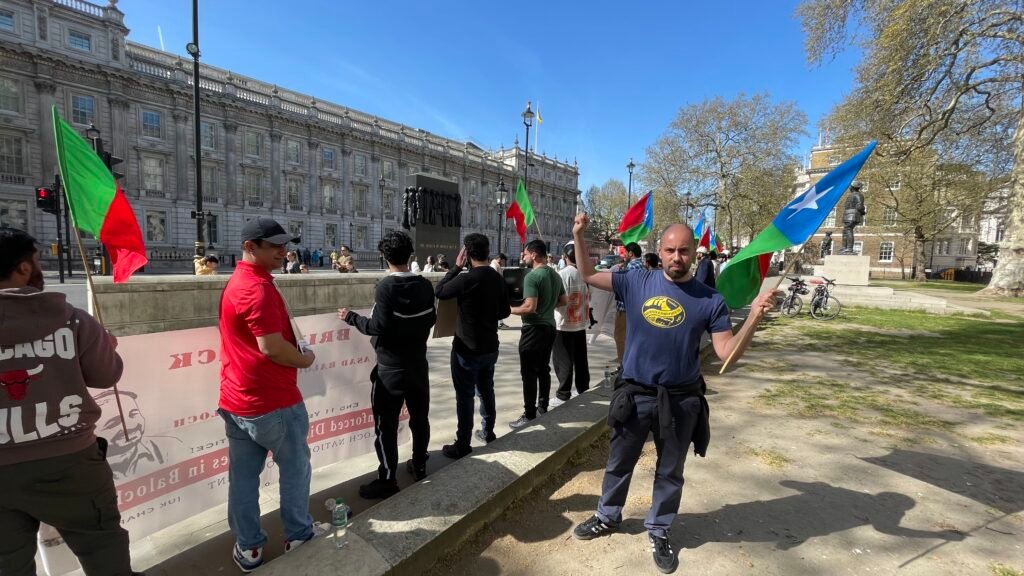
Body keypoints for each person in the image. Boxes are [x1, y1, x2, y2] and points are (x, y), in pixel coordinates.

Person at [569, 215, 777, 574]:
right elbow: (588, 275)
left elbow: (727, 352)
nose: (676, 257)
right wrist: (578, 235)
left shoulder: (711, 300)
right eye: (670, 250)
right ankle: (608, 515)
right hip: (635, 394)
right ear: (659, 251)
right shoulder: (635, 281)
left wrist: (755, 316)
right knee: (620, 460)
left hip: (681, 400)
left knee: (670, 470)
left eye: (683, 250)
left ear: (694, 253)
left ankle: (660, 528)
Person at [0, 227, 145, 576]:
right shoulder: (73, 320)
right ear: (22, 268)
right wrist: (103, 345)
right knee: (104, 550)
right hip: (70, 462)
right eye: (36, 262)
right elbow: (107, 377)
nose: (40, 270)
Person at [218, 217, 325, 572]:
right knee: (295, 470)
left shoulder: (241, 280)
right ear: (250, 247)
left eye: (285, 244)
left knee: (243, 479)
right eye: (274, 246)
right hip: (274, 401)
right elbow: (273, 348)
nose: (284, 251)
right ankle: (298, 534)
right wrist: (305, 360)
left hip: (237, 398)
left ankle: (249, 547)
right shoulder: (257, 289)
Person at [339, 231, 436, 499]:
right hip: (417, 364)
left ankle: (388, 478)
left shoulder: (385, 287)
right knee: (420, 418)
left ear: (384, 257)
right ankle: (419, 464)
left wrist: (351, 318)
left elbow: (377, 326)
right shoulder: (425, 285)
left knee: (386, 424)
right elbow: (430, 319)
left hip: (390, 368)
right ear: (411, 255)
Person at [435, 234, 510, 456]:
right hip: (490, 347)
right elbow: (505, 311)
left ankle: (463, 443)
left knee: (465, 396)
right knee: (486, 390)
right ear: (488, 252)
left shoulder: (465, 279)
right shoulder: (497, 278)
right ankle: (488, 432)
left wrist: (455, 268)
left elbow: (440, 291)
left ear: (466, 254)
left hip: (466, 348)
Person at [508, 240, 567, 428]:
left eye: (525, 254)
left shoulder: (532, 277)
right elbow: (564, 300)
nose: (523, 257)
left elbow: (529, 307)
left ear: (533, 254)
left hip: (533, 329)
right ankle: (543, 406)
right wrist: (547, 307)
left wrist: (506, 310)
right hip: (550, 327)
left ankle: (529, 414)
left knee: (528, 372)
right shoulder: (555, 275)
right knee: (543, 369)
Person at [551, 241, 590, 409]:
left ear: (565, 256)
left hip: (564, 322)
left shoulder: (563, 274)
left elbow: (559, 300)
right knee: (580, 358)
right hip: (580, 320)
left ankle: (563, 393)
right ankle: (582, 387)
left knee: (562, 359)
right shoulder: (585, 273)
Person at [612, 242, 645, 373]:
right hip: (635, 309)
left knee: (620, 337)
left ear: (631, 253)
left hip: (625, 309)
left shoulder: (632, 267)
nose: (623, 255)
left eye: (625, 252)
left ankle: (624, 366)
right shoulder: (640, 266)